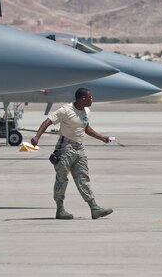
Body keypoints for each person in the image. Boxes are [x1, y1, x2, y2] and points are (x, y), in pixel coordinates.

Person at [31, 88, 114, 220]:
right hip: (64, 148)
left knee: (83, 178)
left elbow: (86, 128)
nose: (92, 99)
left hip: (79, 148)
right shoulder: (65, 110)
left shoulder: (86, 111)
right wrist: (37, 137)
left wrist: (102, 137)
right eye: (90, 97)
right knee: (62, 179)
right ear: (82, 98)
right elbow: (47, 122)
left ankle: (94, 208)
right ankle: (60, 209)